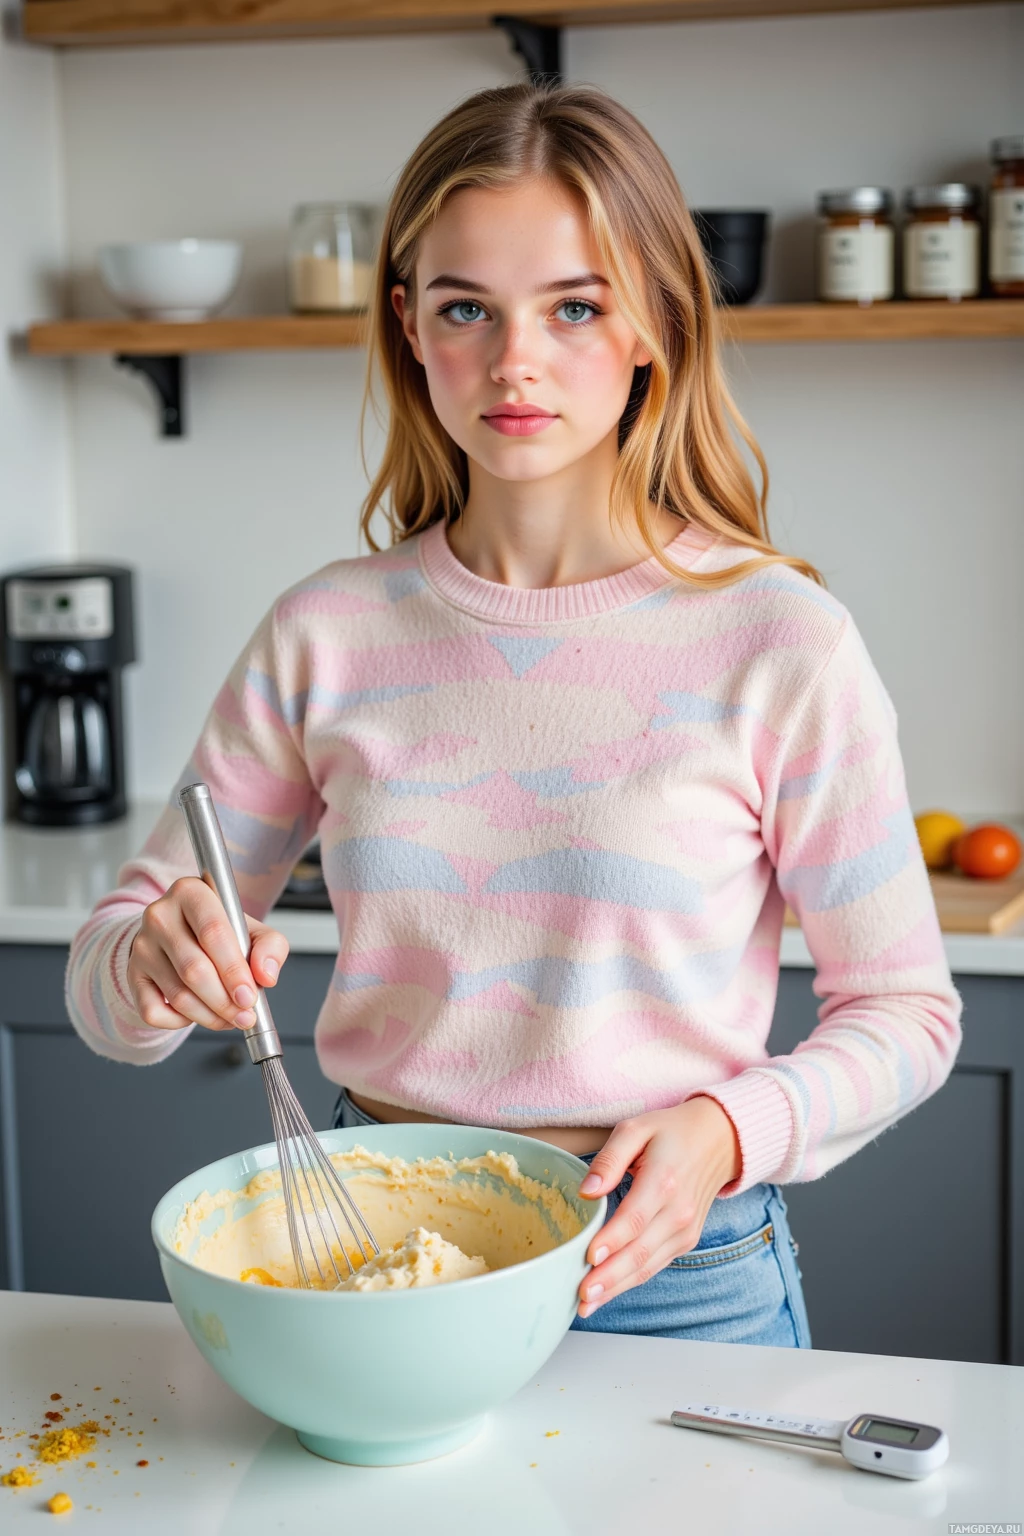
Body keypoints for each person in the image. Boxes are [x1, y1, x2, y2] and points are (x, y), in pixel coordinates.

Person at [66, 82, 962, 1346]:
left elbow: (909, 1017)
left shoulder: (779, 640)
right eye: (465, 309)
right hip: (374, 1252)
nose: (513, 361)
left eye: (576, 307)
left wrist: (726, 1131)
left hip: (671, 1272)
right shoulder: (327, 630)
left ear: (652, 323)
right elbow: (114, 970)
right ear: (410, 328)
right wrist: (152, 965)